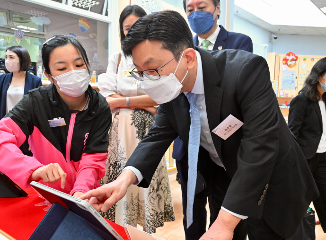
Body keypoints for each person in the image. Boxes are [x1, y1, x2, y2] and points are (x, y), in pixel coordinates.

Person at [80, 11, 319, 240]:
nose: (148, 82)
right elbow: (157, 136)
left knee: (273, 233)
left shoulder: (246, 71)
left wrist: (224, 224)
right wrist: (123, 181)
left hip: (275, 182)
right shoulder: (172, 87)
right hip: (225, 177)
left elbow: (261, 146)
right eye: (140, 73)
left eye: (153, 70)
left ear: (188, 58)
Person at [0, 35, 111, 197]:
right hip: (46, 193)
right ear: (49, 75)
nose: (73, 72)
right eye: (62, 68)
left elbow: (93, 158)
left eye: (79, 64)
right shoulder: (36, 101)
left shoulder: (99, 106)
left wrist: (81, 191)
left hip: (85, 197)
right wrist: (33, 168)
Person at [172, 0, 253, 238]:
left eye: (203, 7)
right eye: (190, 9)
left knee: (225, 209)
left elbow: (234, 90)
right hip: (191, 147)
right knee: (193, 211)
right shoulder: (182, 48)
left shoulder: (239, 42)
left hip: (225, 144)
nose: (196, 14)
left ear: (218, 9)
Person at [98, 5, 175, 233]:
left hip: (149, 132)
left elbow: (161, 96)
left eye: (138, 26)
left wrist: (121, 101)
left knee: (144, 179)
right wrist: (144, 103)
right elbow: (106, 96)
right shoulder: (117, 58)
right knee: (121, 178)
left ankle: (143, 233)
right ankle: (119, 231)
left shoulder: (155, 57)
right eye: (127, 28)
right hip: (119, 133)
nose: (132, 32)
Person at [0, 46, 42, 155]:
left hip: (25, 128)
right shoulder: (2, 79)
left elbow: (38, 110)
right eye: (6, 57)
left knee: (23, 160)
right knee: (6, 157)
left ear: (22, 59)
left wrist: (34, 138)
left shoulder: (35, 81)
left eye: (11, 57)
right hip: (6, 126)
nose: (7, 61)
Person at [288, 57, 326, 233]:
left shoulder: (325, 100)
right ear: (319, 76)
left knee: (324, 199)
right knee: (300, 202)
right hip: (305, 159)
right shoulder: (302, 100)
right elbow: (292, 133)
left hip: (323, 159)